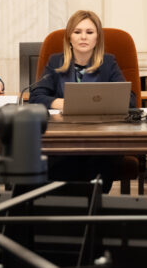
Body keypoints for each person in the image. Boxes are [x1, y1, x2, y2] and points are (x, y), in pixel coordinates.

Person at [30, 10, 136, 192]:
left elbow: (130, 100)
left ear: (97, 38)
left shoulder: (108, 62)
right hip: (64, 138)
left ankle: (92, 203)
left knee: (101, 159)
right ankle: (68, 204)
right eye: (77, 32)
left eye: (89, 32)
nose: (83, 37)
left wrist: (101, 105)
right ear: (69, 37)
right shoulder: (56, 61)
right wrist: (62, 103)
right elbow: (36, 97)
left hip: (101, 139)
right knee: (62, 160)